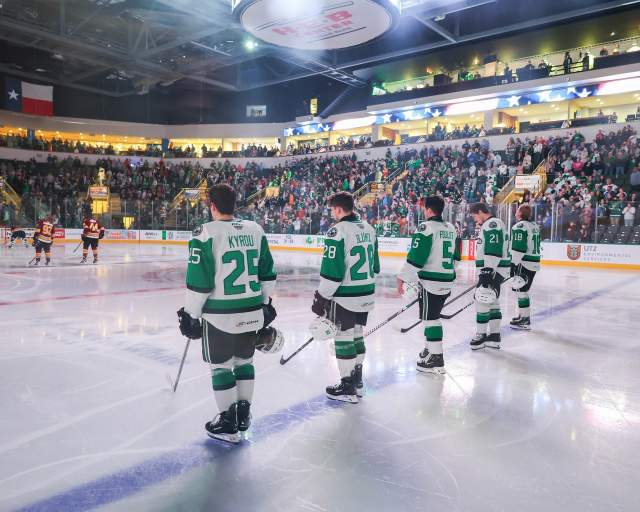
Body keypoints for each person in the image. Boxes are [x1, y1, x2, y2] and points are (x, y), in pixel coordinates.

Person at [177, 184, 280, 444]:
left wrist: (190, 315)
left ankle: (228, 421)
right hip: (252, 310)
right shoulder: (255, 230)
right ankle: (243, 415)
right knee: (245, 363)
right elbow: (267, 270)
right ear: (235, 204)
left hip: (220, 316)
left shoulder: (205, 233)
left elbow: (199, 281)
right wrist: (266, 302)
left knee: (221, 367)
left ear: (212, 206)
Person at [310, 192, 379, 403]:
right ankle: (357, 381)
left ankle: (347, 386)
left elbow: (333, 273)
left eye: (333, 209)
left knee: (343, 337)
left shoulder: (337, 231)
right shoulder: (369, 228)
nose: (332, 213)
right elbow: (375, 266)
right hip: (366, 292)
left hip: (345, 296)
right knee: (357, 335)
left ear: (338, 210)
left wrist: (321, 297)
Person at [397, 196, 459, 374]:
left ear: (429, 210)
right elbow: (456, 258)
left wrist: (401, 277)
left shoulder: (426, 228)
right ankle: (429, 348)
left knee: (431, 319)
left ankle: (436, 358)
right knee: (430, 317)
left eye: (425, 208)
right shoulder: (451, 228)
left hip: (430, 282)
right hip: (446, 279)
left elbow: (416, 258)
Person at [468, 203, 510, 349]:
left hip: (493, 269)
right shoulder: (491, 224)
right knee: (491, 301)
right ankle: (494, 336)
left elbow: (493, 249)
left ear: (480, 212)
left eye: (474, 215)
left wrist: (487, 271)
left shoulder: (492, 224)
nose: (474, 219)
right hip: (494, 269)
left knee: (482, 299)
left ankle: (481, 335)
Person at [509, 205, 541, 330]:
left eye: (517, 210)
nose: (515, 212)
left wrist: (512, 264)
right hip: (533, 262)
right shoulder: (534, 225)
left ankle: (525, 320)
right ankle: (523, 315)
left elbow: (519, 248)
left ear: (521, 213)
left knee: (521, 291)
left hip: (524, 263)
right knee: (521, 290)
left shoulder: (520, 226)